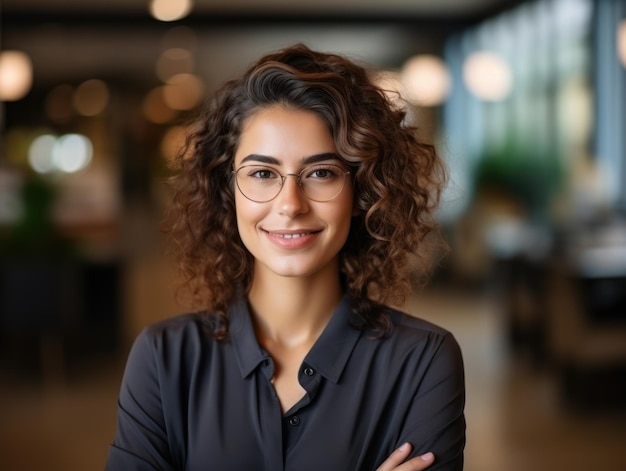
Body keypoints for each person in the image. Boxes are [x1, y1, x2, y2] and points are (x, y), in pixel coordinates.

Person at [105, 43, 465, 471]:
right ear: (228, 192)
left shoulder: (423, 361)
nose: (290, 204)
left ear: (361, 192)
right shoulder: (164, 358)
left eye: (321, 173)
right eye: (262, 173)